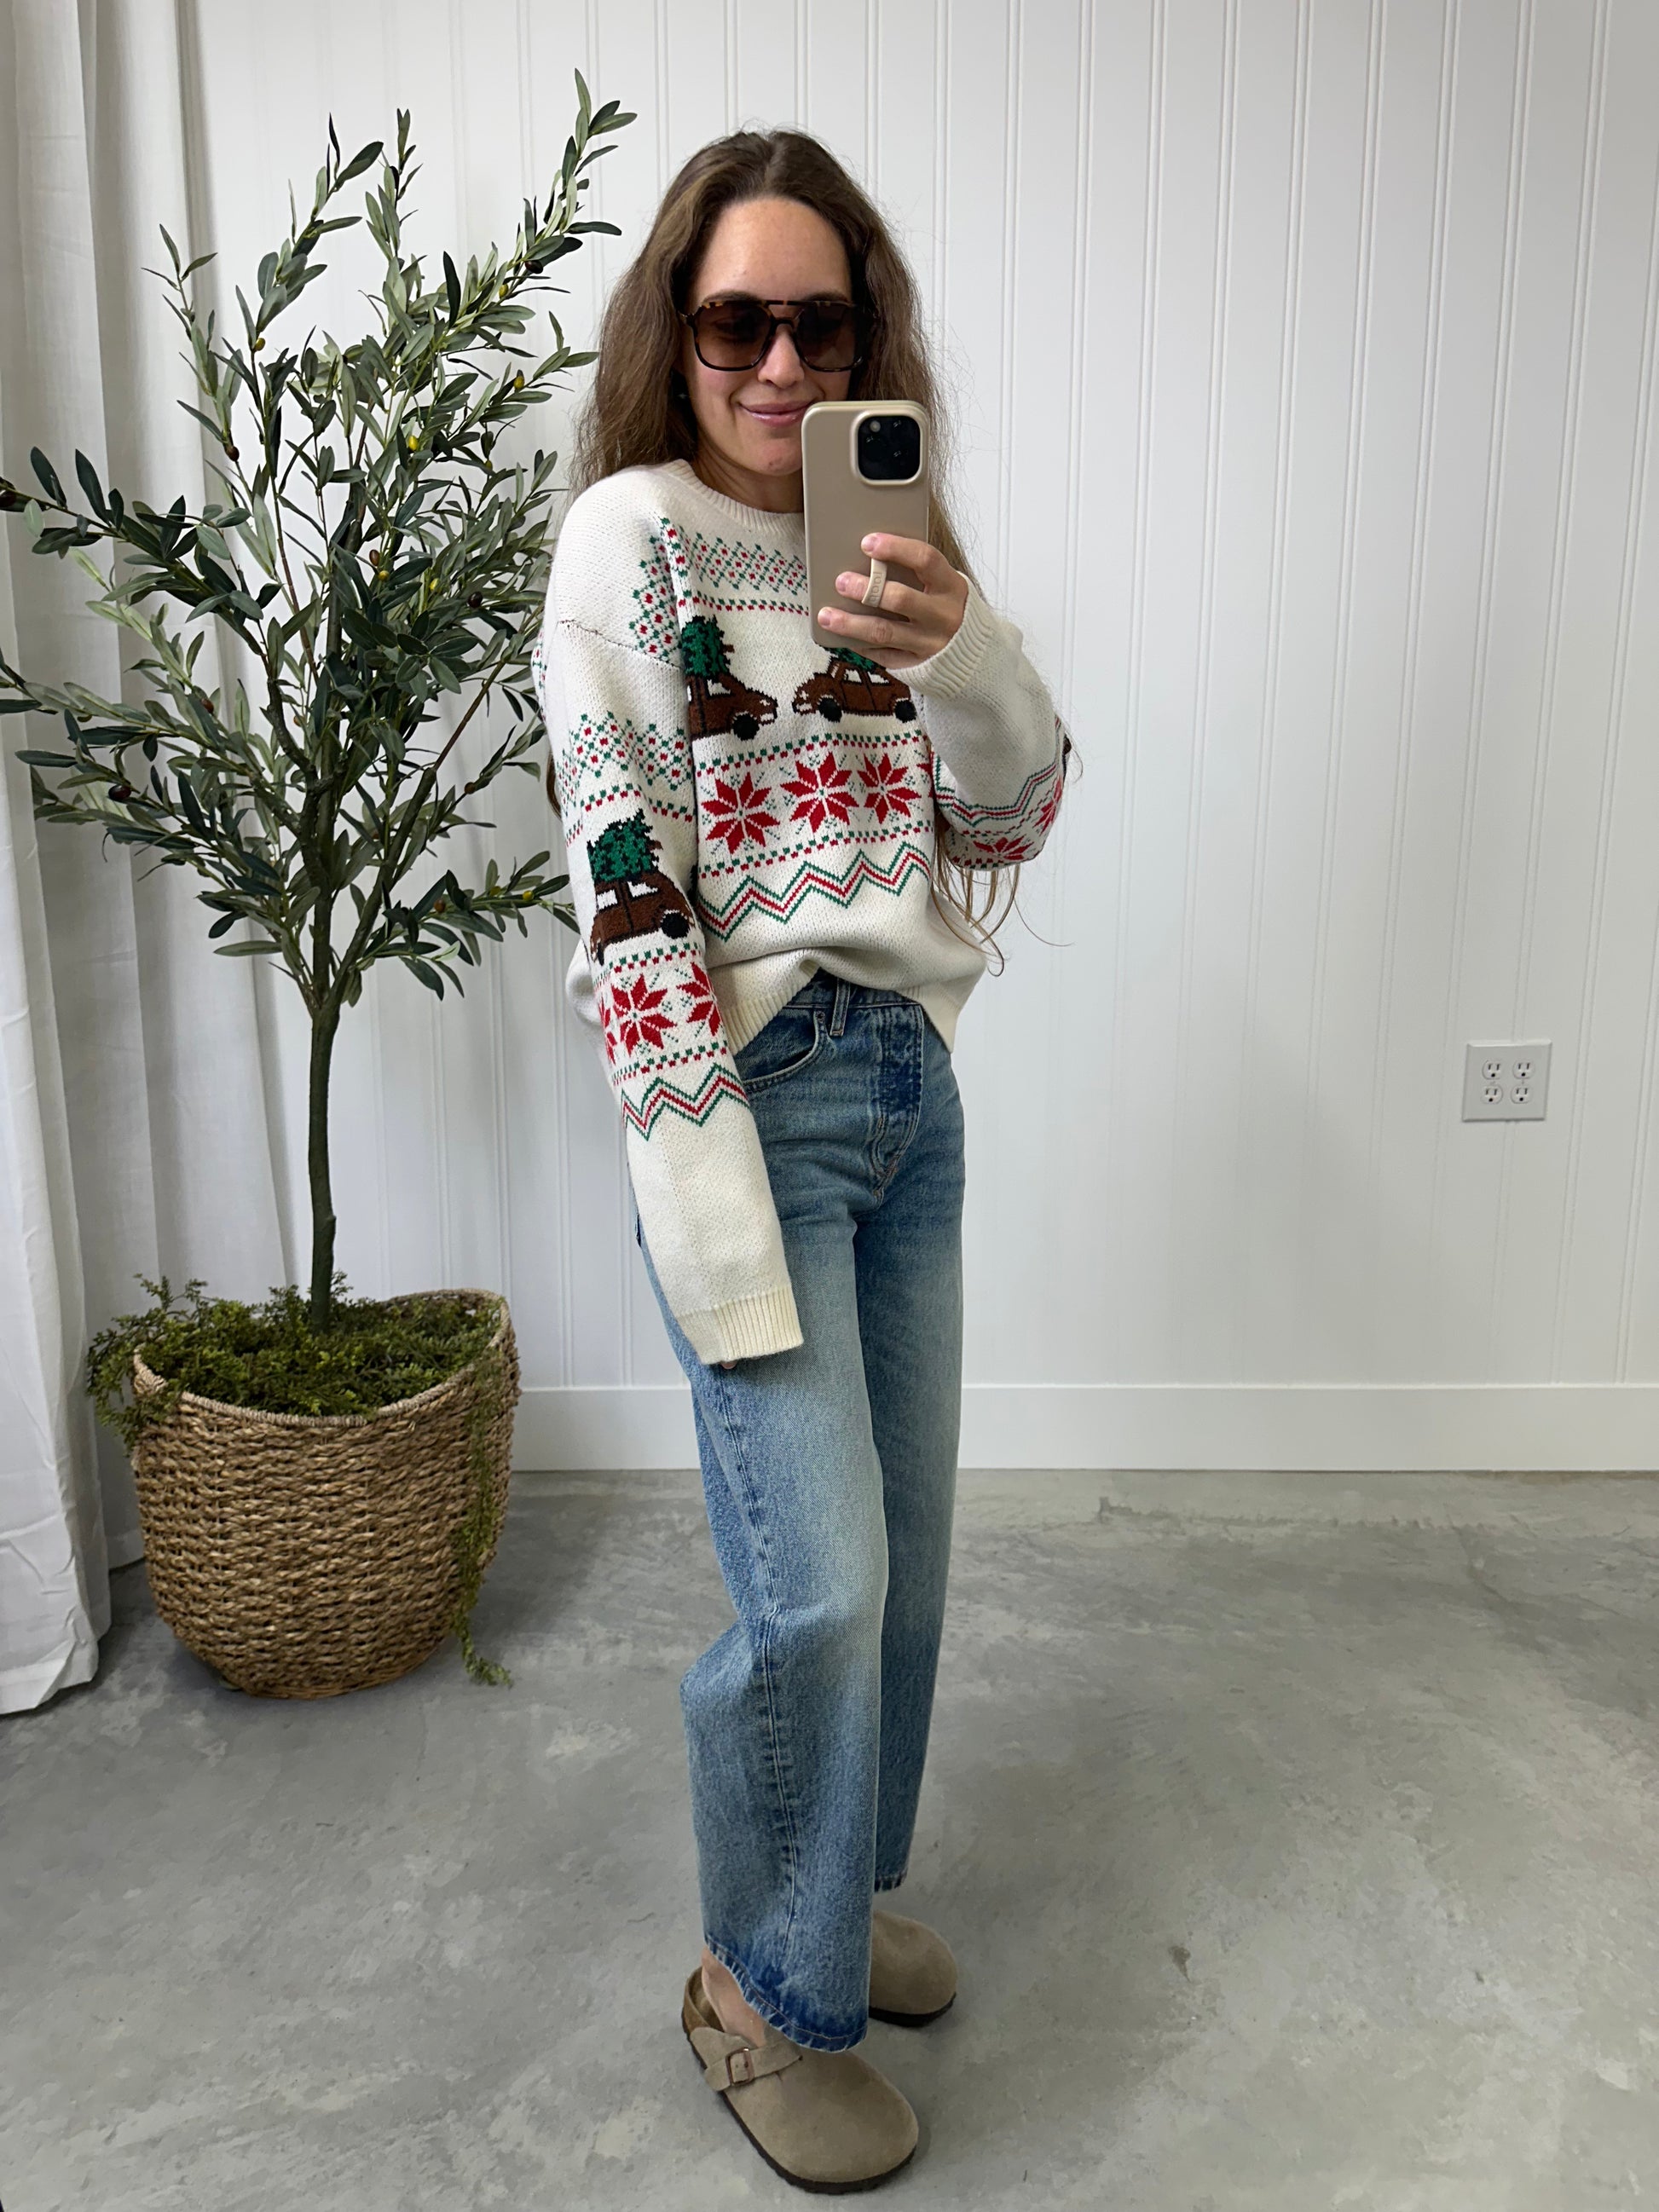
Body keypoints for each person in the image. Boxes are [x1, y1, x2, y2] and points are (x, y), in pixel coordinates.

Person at [535, 126, 1070, 2194]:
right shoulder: (629, 541)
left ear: (865, 340)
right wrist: (700, 1201)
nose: (777, 364)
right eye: (735, 320)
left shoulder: (884, 545)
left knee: (900, 1569)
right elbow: (626, 891)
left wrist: (959, 644)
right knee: (815, 1581)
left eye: (819, 325)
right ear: (672, 330)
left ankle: (823, 1899)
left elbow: (1007, 817)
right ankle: (756, 1989)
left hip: (909, 1087)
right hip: (747, 1099)